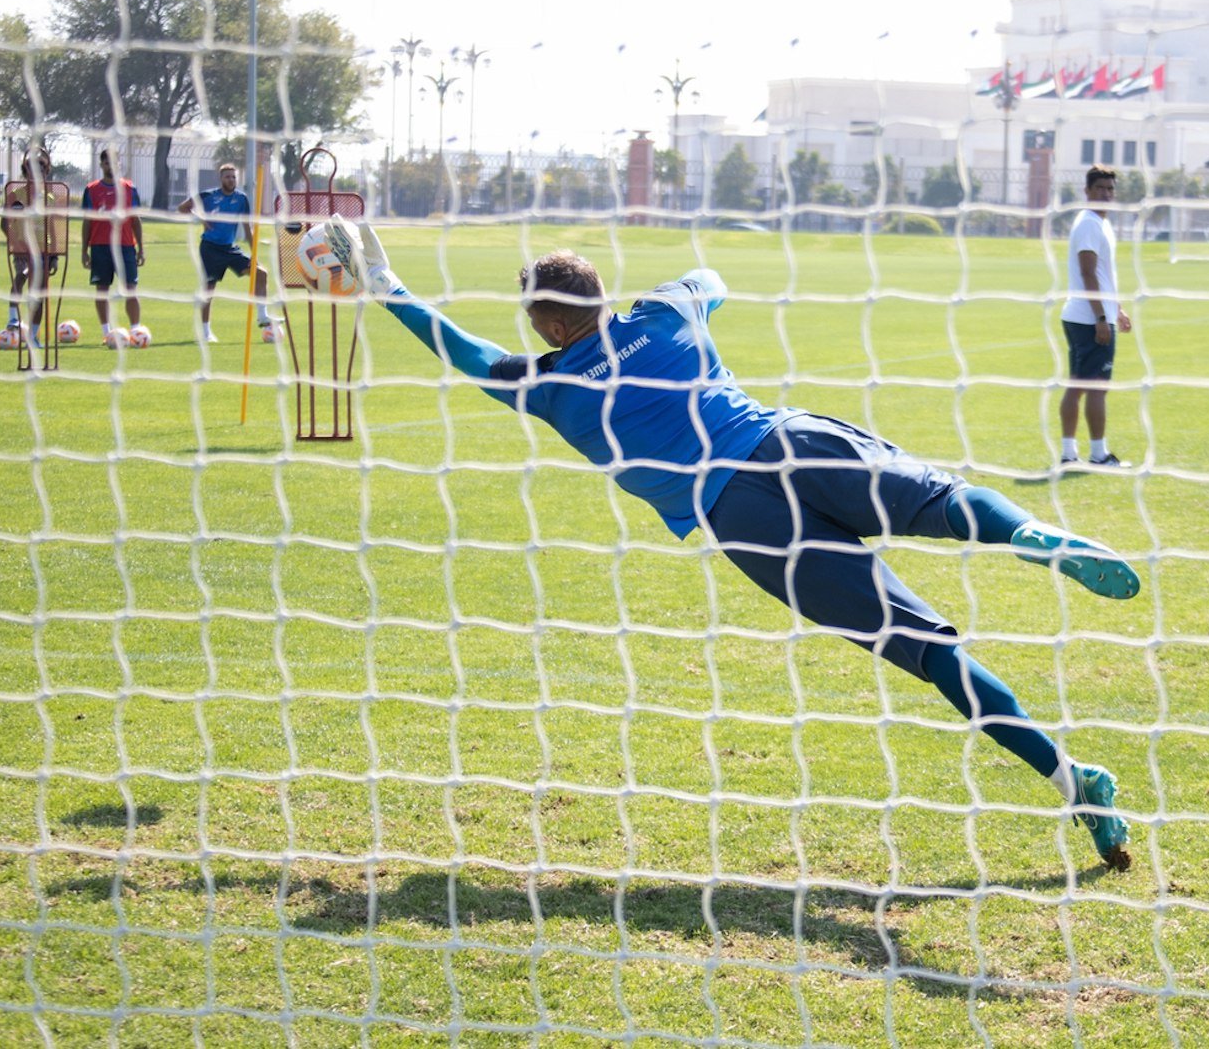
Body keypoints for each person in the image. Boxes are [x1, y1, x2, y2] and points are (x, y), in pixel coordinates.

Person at [306, 214, 1140, 871]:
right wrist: (673, 300)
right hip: (790, 442)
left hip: (747, 521)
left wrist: (388, 285)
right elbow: (714, 280)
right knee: (947, 499)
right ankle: (1034, 534)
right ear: (601, 297)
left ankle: (1079, 786)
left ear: (545, 324)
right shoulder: (663, 313)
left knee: (930, 653)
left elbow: (467, 354)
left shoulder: (547, 385)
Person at [1058, 164, 1130, 467]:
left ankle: (1069, 453)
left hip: (1086, 314)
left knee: (1078, 385)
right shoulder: (1089, 223)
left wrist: (1117, 310)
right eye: (1100, 188)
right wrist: (1102, 318)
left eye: (1110, 189)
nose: (1106, 194)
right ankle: (1098, 454)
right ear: (1087, 191)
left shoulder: (1100, 223)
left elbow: (1102, 273)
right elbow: (1087, 273)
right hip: (1088, 318)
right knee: (1095, 386)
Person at [177, 162, 280, 343]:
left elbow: (247, 228)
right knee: (209, 290)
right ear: (221, 179)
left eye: (233, 177)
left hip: (230, 248)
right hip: (210, 248)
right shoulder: (208, 196)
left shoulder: (241, 199)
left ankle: (262, 316)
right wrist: (200, 218)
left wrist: (254, 251)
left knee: (261, 273)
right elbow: (183, 207)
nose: (231, 180)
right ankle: (205, 332)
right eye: (227, 177)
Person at [79, 148, 144, 337]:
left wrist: (141, 248)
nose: (111, 166)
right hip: (100, 247)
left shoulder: (129, 189)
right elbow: (87, 221)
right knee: (102, 290)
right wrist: (84, 250)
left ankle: (135, 331)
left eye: (114, 162)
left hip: (125, 246)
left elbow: (136, 220)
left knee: (130, 288)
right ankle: (106, 332)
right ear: (101, 165)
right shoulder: (91, 190)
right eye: (107, 162)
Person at [3, 149, 60, 337]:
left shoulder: (49, 197)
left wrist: (54, 255)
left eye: (42, 167)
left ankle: (33, 336)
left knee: (39, 293)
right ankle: (13, 317)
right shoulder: (16, 193)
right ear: (25, 170)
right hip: (22, 246)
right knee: (22, 275)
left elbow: (51, 227)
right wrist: (15, 244)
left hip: (44, 250)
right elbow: (5, 223)